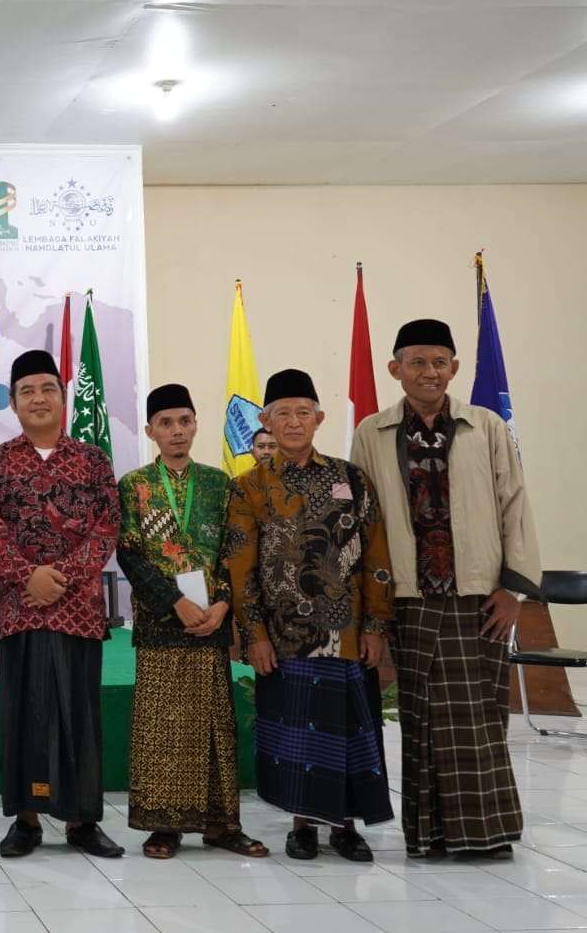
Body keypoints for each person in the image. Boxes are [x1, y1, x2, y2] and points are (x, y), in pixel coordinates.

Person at [351, 319, 536, 860]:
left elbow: (515, 504)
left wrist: (513, 589)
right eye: (417, 362)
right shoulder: (372, 432)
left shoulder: (485, 426)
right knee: (419, 714)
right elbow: (365, 524)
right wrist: (374, 609)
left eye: (439, 362)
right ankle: (429, 834)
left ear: (453, 368)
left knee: (480, 714)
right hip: (407, 598)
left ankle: (485, 833)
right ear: (395, 370)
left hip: (478, 597)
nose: (429, 372)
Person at [224, 368, 395, 862]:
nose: (294, 422)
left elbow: (376, 557)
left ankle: (345, 826)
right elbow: (241, 569)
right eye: (283, 414)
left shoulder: (351, 478)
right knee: (297, 736)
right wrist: (253, 634)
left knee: (345, 733)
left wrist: (375, 625)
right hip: (285, 636)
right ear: (265, 421)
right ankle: (302, 826)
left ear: (319, 418)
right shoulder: (250, 487)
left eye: (303, 412)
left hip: (346, 634)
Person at [0, 349, 123, 860]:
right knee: (22, 714)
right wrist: (28, 577)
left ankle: (82, 820)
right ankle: (26, 818)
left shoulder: (92, 459)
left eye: (47, 389)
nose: (38, 398)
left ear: (63, 397)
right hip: (18, 610)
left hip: (78, 608)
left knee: (78, 716)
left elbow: (107, 527)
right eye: (27, 391)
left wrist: (61, 580)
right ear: (12, 402)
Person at [119, 384, 266, 860]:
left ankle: (222, 824)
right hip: (162, 623)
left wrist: (223, 605)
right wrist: (173, 603)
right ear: (150, 431)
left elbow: (234, 553)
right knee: (160, 726)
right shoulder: (134, 485)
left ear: (196, 423)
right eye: (165, 423)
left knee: (214, 724)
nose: (176, 431)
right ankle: (163, 826)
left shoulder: (221, 483)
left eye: (184, 420)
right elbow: (129, 555)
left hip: (210, 623)